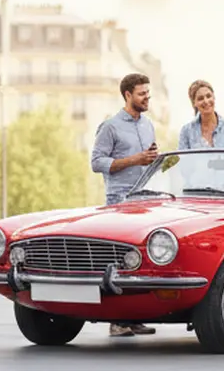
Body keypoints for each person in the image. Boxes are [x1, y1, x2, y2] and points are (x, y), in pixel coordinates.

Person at [90, 73, 160, 338]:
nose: (147, 98)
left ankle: (134, 317)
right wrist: (135, 159)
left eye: (148, 93)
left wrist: (156, 160)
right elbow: (97, 163)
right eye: (142, 94)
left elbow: (146, 160)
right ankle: (116, 321)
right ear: (128, 95)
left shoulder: (148, 125)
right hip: (119, 202)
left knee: (139, 261)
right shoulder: (109, 126)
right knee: (118, 261)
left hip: (146, 201)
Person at [178, 80, 224, 150]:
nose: (206, 101)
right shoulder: (186, 131)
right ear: (194, 103)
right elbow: (182, 159)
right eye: (200, 98)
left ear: (214, 97)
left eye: (208, 96)